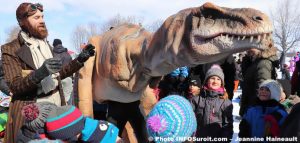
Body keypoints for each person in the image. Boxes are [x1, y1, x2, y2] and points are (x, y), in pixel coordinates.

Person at [1, 3, 95, 142]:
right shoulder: (11, 49)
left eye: (43, 17)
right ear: (22, 22)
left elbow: (58, 75)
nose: (42, 20)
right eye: (36, 17)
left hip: (56, 108)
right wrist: (41, 72)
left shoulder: (46, 45)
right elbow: (15, 86)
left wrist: (79, 60)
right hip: (32, 114)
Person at [190, 64, 233, 141]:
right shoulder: (196, 99)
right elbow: (190, 120)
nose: (215, 81)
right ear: (206, 81)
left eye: (218, 79)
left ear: (221, 83)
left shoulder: (225, 102)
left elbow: (227, 125)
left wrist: (225, 139)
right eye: (212, 78)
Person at [239, 46, 279, 116]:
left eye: (252, 45)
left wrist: (255, 112)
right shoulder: (254, 61)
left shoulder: (263, 63)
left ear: (260, 46)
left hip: (256, 110)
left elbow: (263, 91)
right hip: (251, 108)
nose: (249, 48)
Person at [52, 38, 74, 104]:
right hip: (68, 78)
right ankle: (69, 113)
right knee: (68, 100)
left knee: (57, 101)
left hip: (56, 79)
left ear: (54, 45)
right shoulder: (67, 54)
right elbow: (72, 67)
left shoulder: (51, 54)